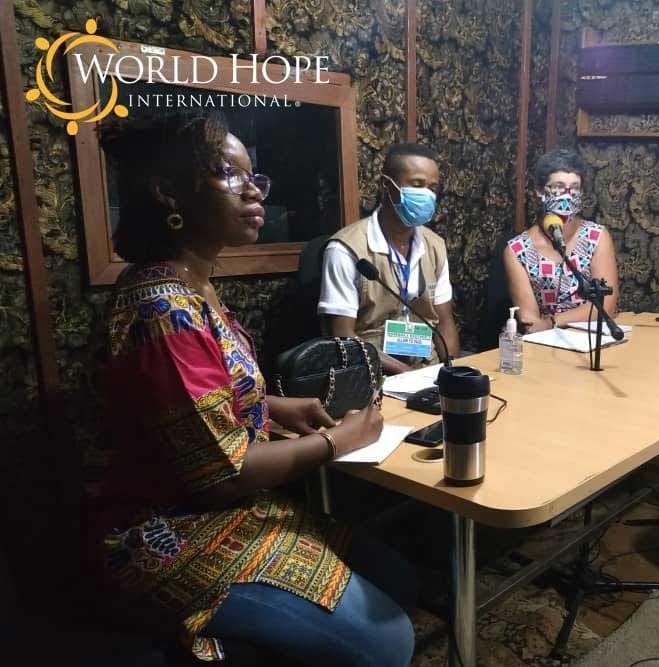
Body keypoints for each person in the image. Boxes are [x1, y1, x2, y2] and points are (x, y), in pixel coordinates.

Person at [87, 112, 416, 666]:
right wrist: (342, 441)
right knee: (389, 640)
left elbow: (197, 405)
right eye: (227, 174)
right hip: (170, 530)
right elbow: (218, 476)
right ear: (169, 192)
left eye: (254, 176)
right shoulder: (163, 309)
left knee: (400, 578)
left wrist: (274, 405)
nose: (253, 191)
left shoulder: (194, 288)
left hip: (233, 508)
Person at [318, 143, 460, 374]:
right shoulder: (346, 250)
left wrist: (450, 371)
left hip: (426, 369)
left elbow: (445, 322)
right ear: (386, 184)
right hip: (369, 375)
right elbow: (342, 335)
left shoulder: (435, 246)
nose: (427, 194)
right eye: (417, 184)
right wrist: (406, 376)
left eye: (432, 188)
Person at [503, 148, 620, 332]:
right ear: (540, 191)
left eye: (574, 188)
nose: (567, 195)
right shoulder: (517, 250)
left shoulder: (596, 237)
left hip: (592, 337)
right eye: (558, 187)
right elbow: (530, 321)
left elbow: (606, 305)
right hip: (545, 344)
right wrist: (548, 326)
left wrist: (553, 321)